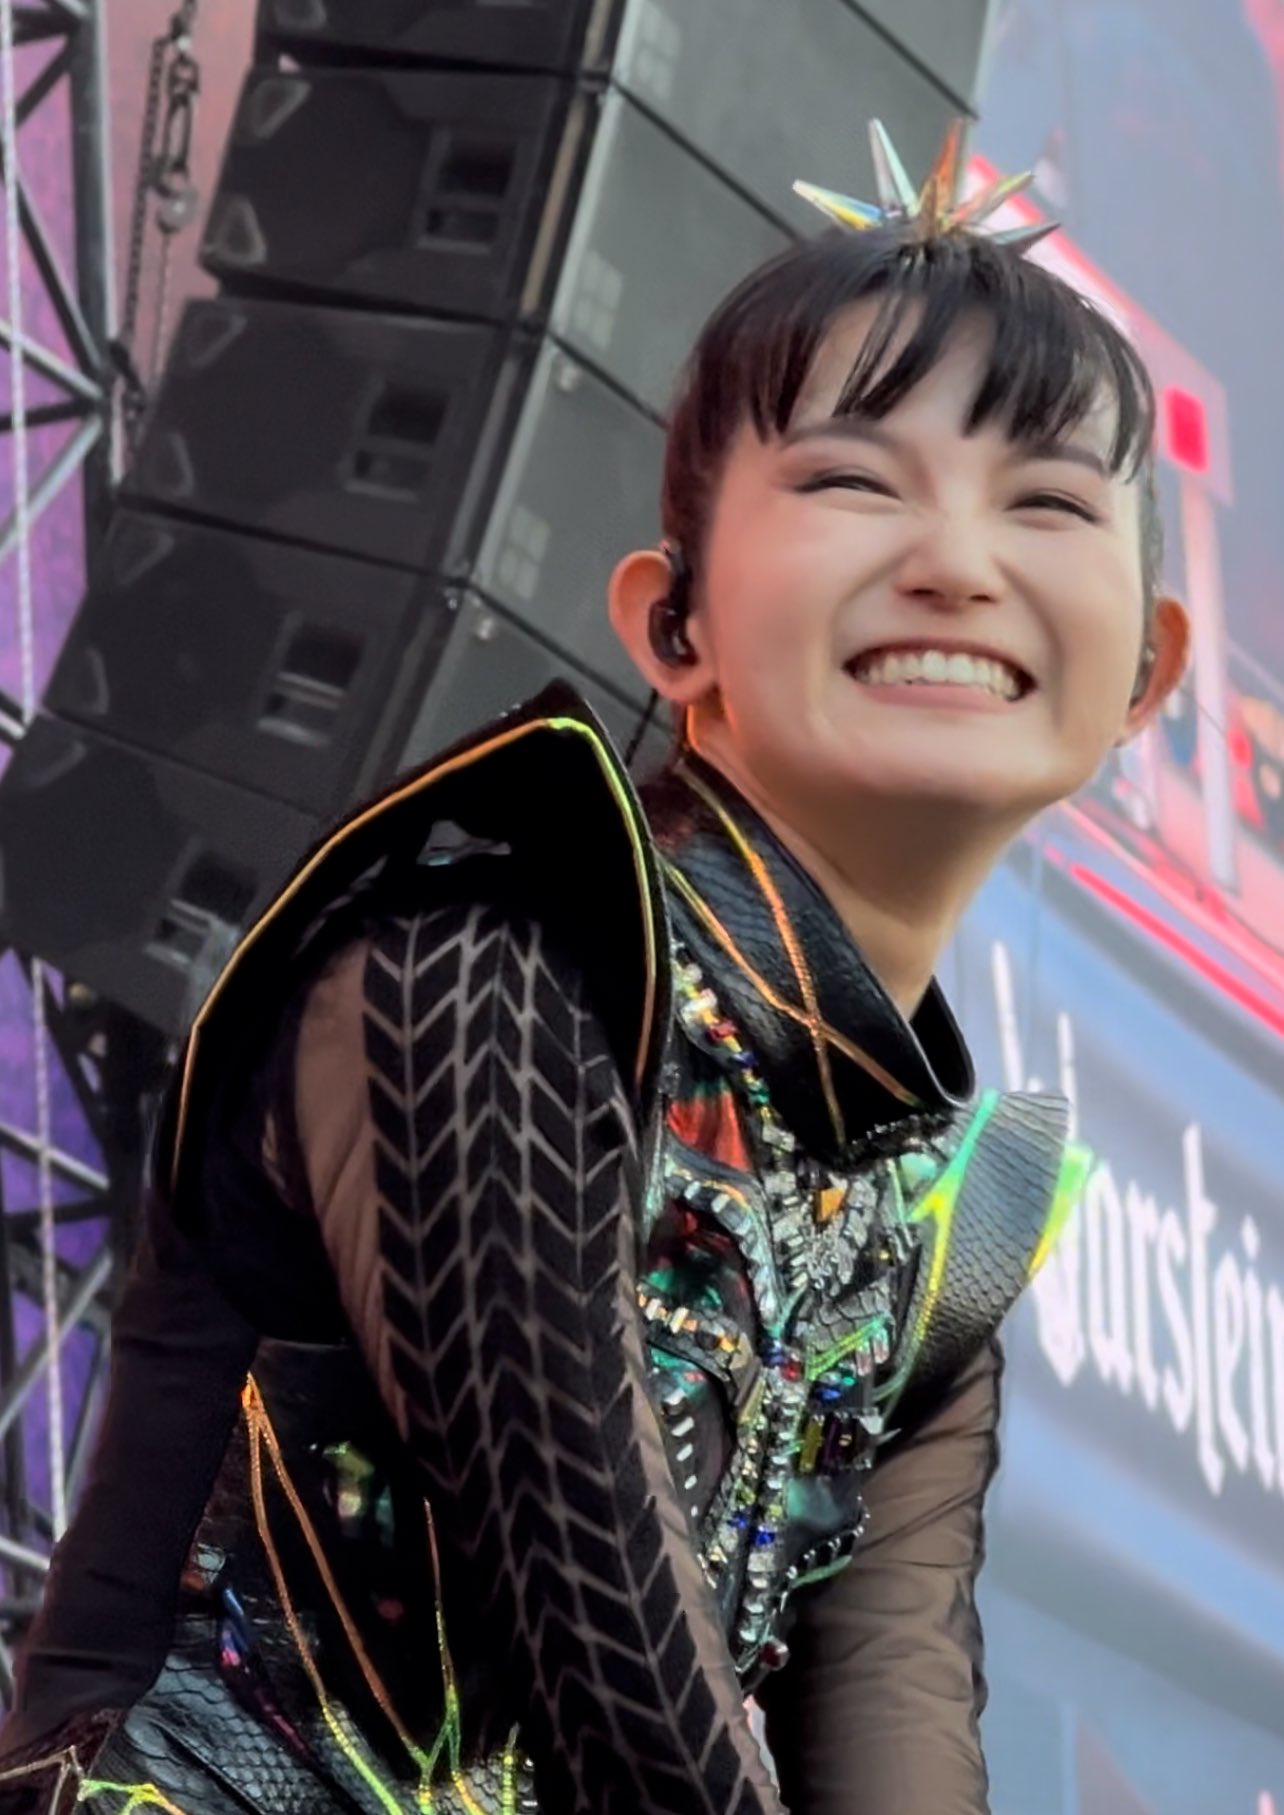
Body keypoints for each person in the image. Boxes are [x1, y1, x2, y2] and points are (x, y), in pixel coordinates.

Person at [0, 120, 1188, 1815]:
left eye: (1049, 502)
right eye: (854, 482)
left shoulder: (945, 1214)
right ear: (669, 622)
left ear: (1146, 678)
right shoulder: (488, 955)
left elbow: (894, 1727)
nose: (955, 559)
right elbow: (604, 1653)